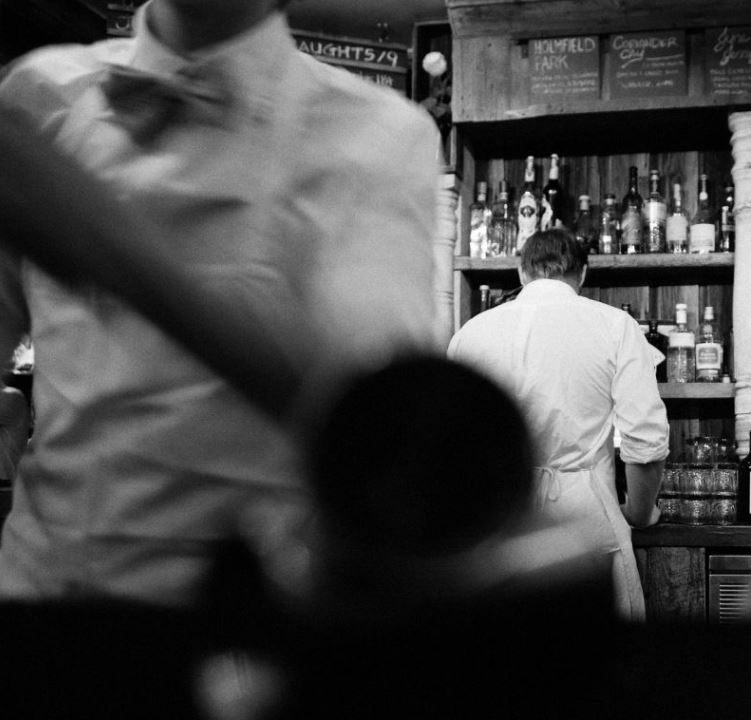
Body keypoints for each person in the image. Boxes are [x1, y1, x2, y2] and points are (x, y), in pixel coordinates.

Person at [0, 0, 448, 605]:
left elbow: (375, 429)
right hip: (47, 610)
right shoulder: (39, 94)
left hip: (258, 618)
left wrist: (113, 246)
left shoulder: (380, 134)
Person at [447, 227, 669, 621]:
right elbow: (645, 441)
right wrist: (638, 513)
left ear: (521, 272)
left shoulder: (471, 333)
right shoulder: (614, 326)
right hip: (587, 522)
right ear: (582, 275)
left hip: (499, 526)